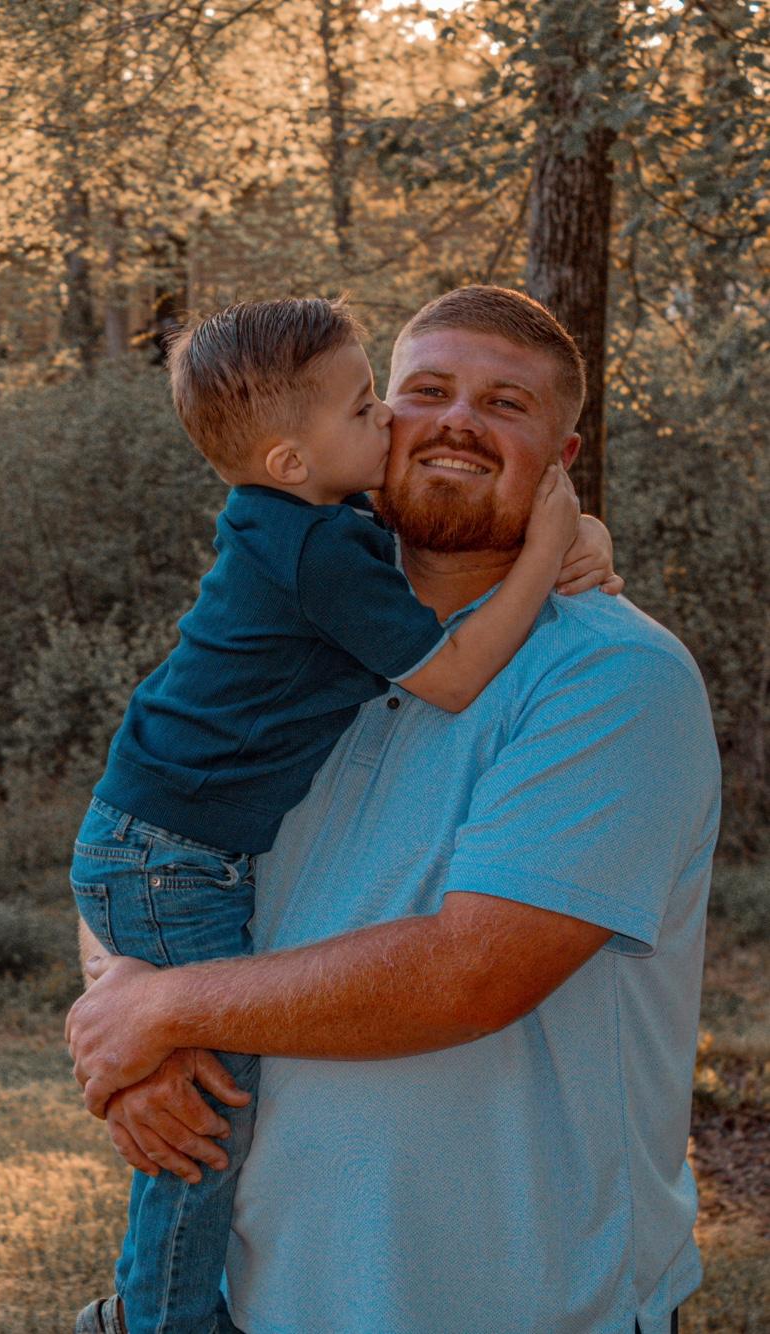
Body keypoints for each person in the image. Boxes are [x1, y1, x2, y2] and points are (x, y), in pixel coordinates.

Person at [67, 286, 720, 1334]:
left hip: (512, 1305)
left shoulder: (613, 676)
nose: (457, 421)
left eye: (504, 402)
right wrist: (131, 1008)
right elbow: (146, 841)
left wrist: (167, 1010)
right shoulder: (298, 632)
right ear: (363, 427)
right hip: (264, 1298)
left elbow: (471, 974)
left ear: (561, 458)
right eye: (423, 391)